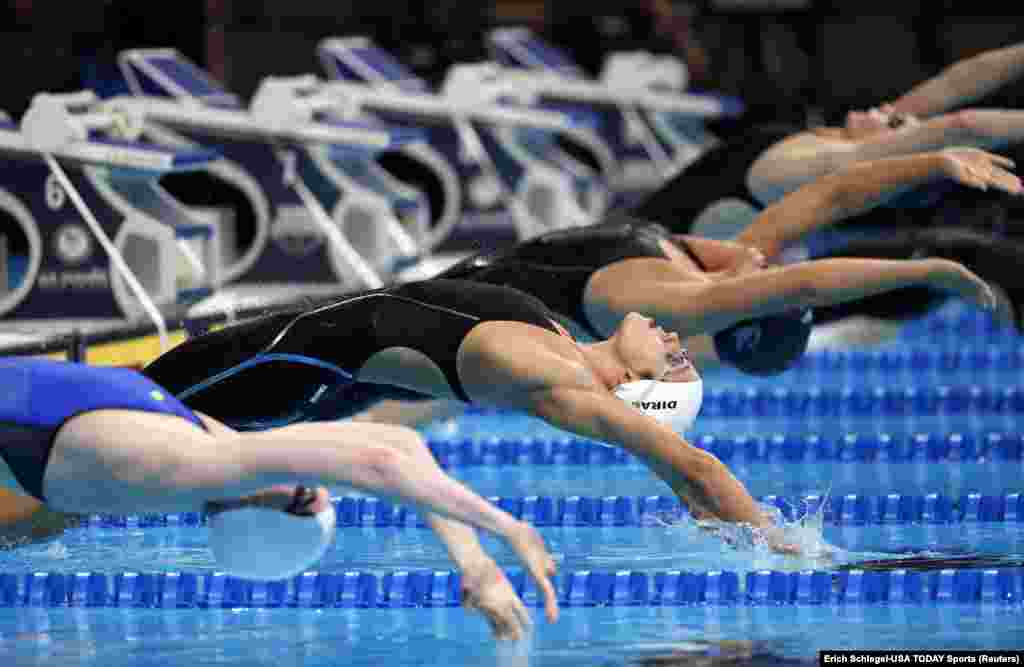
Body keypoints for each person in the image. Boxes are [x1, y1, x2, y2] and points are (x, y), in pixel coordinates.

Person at [141, 276, 801, 554]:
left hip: (275, 366)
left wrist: (786, 548)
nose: (676, 340)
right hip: (286, 349)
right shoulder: (556, 337)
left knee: (118, 423)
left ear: (631, 382)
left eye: (671, 361)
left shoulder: (559, 378)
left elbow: (691, 468)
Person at [0, 357, 558, 640]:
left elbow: (381, 465)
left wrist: (511, 528)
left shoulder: (188, 470)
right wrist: (476, 563)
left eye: (306, 490)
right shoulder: (211, 453)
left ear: (267, 509)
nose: (305, 470)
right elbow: (400, 443)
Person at [436, 147, 1020, 374]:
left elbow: (828, 204)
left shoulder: (699, 277)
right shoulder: (695, 295)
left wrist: (934, 165)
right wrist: (924, 266)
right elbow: (826, 215)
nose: (764, 263)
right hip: (443, 312)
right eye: (767, 280)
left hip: (447, 313)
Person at [630, 41, 1024, 235]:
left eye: (901, 127)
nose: (894, 113)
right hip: (621, 240)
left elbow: (965, 125)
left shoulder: (821, 169)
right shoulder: (835, 142)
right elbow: (963, 79)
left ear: (884, 153)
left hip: (626, 261)